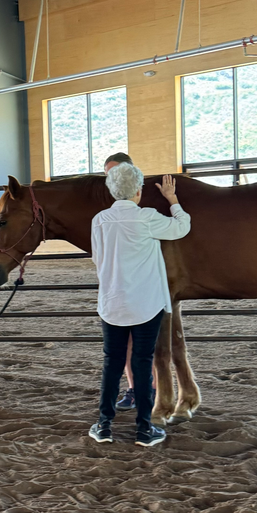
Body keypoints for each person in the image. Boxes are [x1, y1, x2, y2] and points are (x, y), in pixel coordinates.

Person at [90, 163, 191, 446]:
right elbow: (181, 228)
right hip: (146, 304)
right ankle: (144, 429)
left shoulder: (99, 220)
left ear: (112, 191)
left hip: (112, 303)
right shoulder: (147, 217)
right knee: (143, 363)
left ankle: (104, 425)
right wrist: (173, 200)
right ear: (138, 191)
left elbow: (98, 259)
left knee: (112, 363)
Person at [102, 153, 144, 412]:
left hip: (137, 288)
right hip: (123, 290)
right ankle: (135, 390)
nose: (113, 179)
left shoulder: (144, 211)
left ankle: (146, 389)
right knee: (128, 346)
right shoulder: (105, 216)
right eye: (108, 175)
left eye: (116, 172)